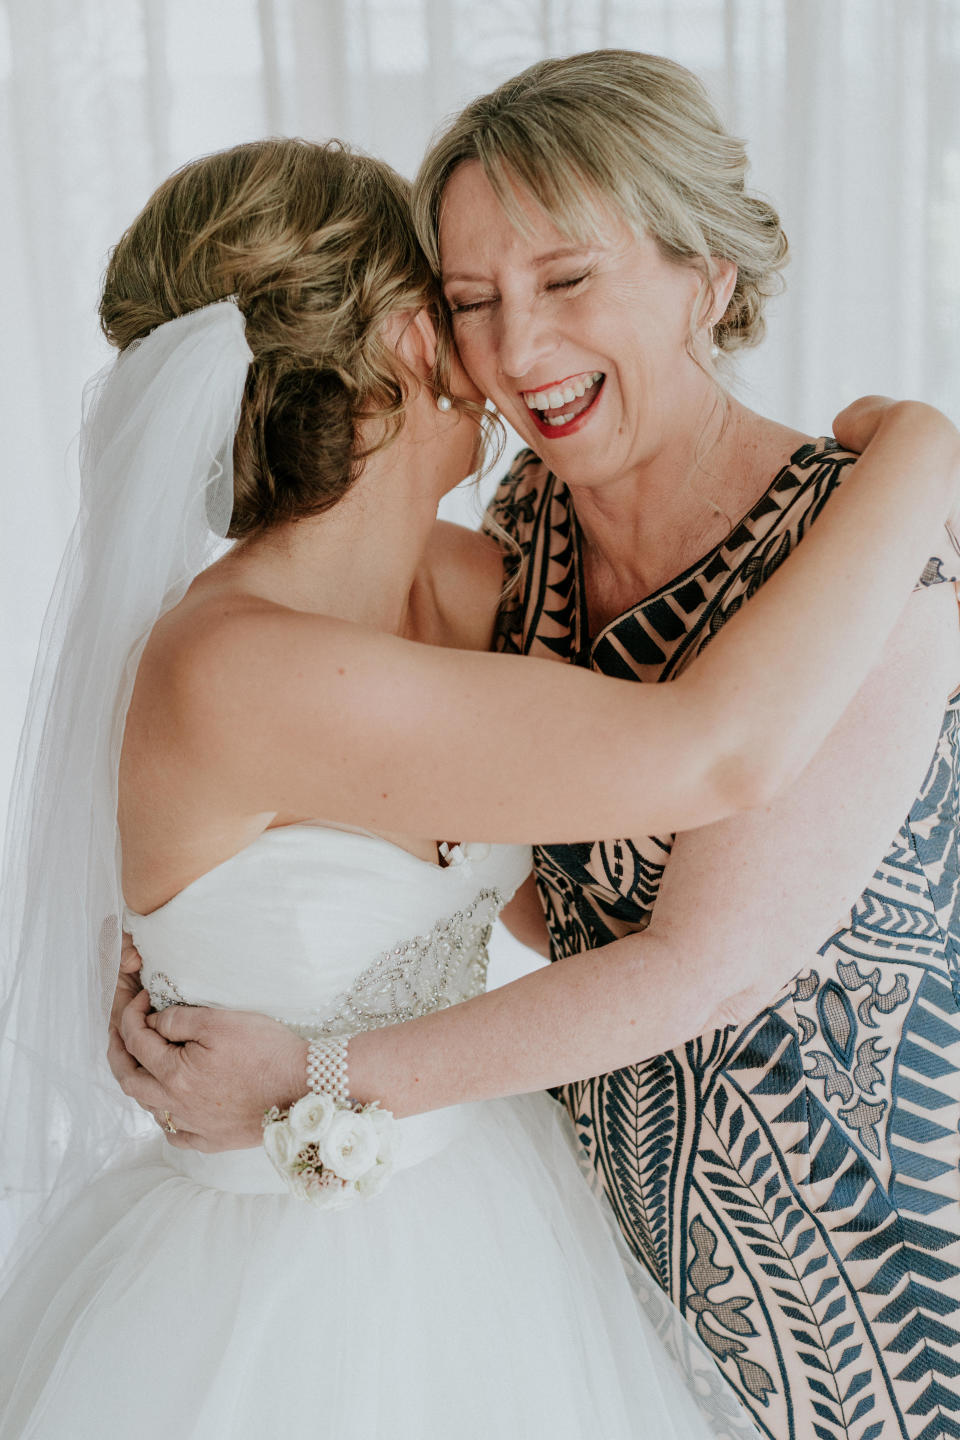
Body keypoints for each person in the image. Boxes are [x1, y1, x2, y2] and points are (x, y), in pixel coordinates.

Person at [105, 54, 960, 1440]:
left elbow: (708, 943)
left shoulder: (865, 560)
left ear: (706, 275)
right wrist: (198, 952)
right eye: (469, 303)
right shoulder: (519, 555)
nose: (509, 352)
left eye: (567, 281)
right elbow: (502, 862)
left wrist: (922, 455)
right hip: (601, 1243)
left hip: (868, 1259)